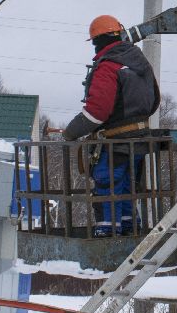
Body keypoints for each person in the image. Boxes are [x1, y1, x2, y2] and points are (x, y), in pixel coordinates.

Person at [64, 15, 161, 234]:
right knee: (127, 184)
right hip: (139, 141)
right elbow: (155, 100)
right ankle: (128, 225)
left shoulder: (109, 65)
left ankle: (108, 232)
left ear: (98, 41)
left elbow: (97, 111)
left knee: (108, 182)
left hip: (116, 143)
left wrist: (71, 132)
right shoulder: (141, 62)